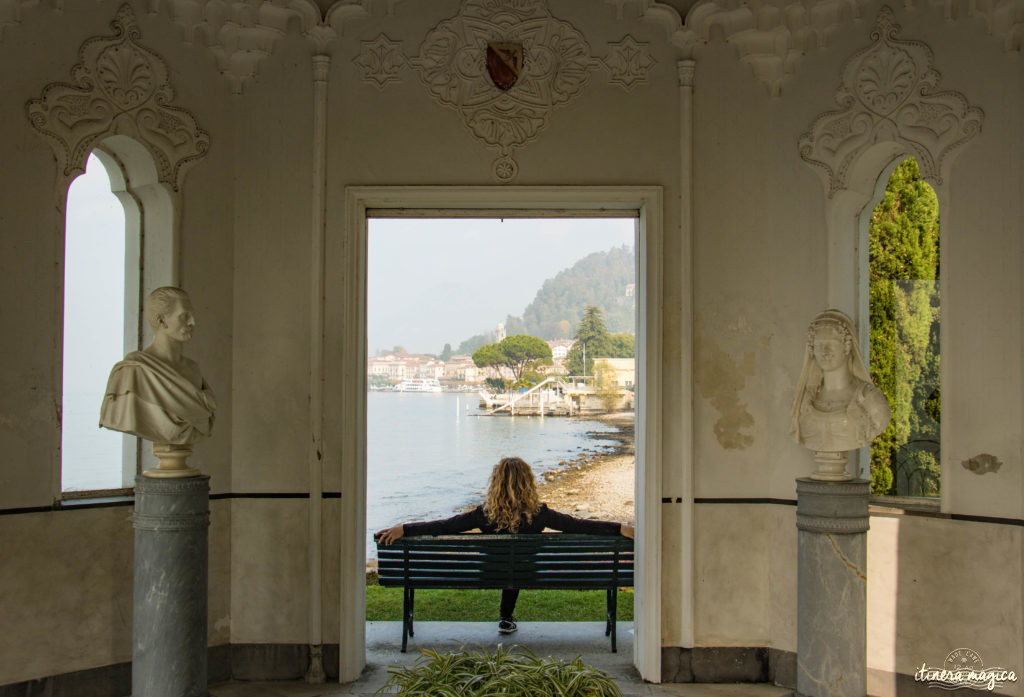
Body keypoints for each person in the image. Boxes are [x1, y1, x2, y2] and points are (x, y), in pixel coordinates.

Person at [376, 456, 634, 635]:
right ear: (528, 483)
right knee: (517, 564)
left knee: (507, 564)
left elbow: (443, 526)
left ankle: (505, 617)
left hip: (486, 574)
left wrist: (404, 529)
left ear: (496, 484)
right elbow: (579, 525)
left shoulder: (483, 514)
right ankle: (506, 617)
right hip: (530, 575)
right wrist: (620, 527)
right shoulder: (540, 514)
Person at [99, 286, 216, 445]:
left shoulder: (192, 369)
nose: (192, 322)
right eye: (184, 316)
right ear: (162, 321)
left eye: (192, 315)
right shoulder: (135, 370)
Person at [790, 309, 890, 454]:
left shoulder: (870, 400)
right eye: (819, 345)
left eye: (831, 344)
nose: (825, 352)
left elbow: (880, 421)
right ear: (812, 349)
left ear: (847, 346)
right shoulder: (803, 401)